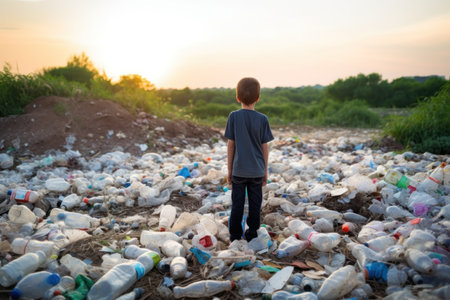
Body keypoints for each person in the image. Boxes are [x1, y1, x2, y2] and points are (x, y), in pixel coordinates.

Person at [224, 77, 274, 242]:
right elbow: (264, 147)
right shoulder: (262, 119)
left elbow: (231, 145)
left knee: (237, 205)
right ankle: (252, 233)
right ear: (258, 98)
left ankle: (235, 236)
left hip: (239, 170)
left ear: (237, 97)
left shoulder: (233, 117)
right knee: (255, 204)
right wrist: (265, 171)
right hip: (256, 171)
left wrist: (230, 170)